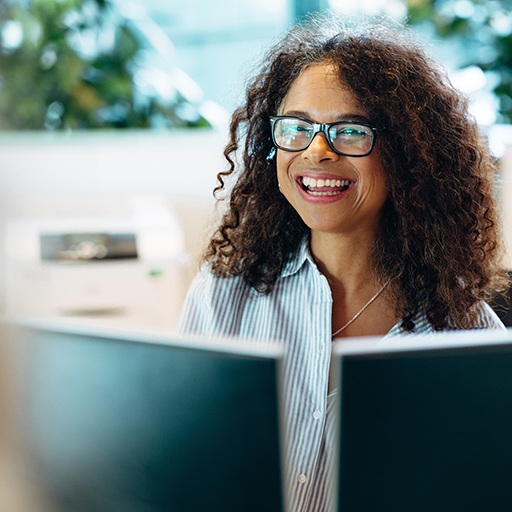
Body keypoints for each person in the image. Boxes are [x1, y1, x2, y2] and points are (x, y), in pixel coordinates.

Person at [178, 13, 510, 512]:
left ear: (406, 156)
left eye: (350, 131)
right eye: (297, 128)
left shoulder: (466, 331)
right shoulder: (225, 292)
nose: (316, 151)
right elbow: (186, 465)